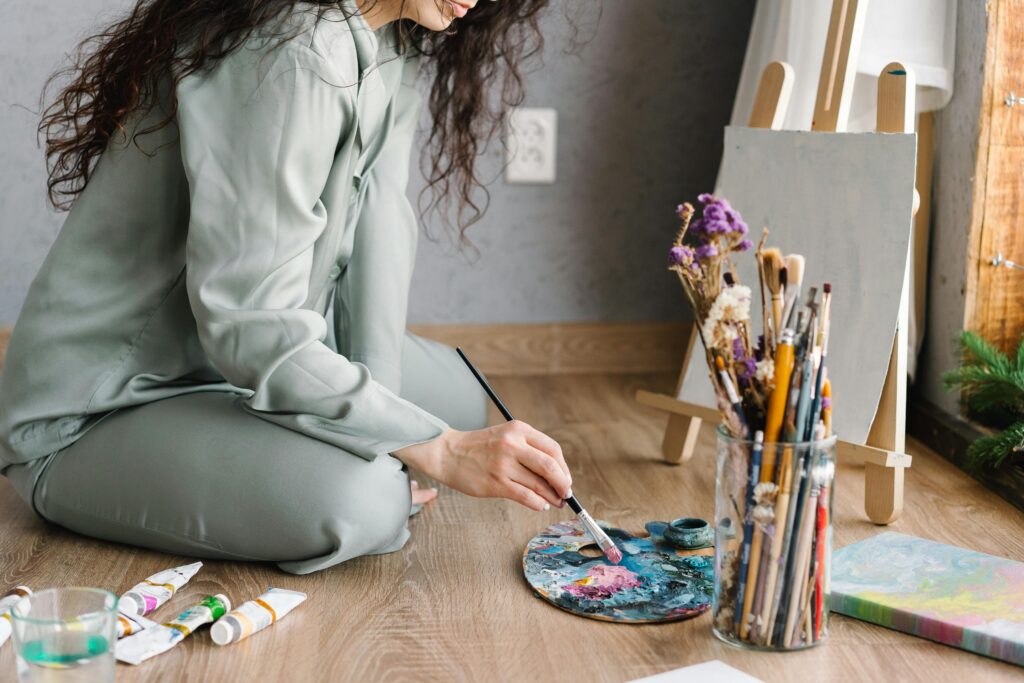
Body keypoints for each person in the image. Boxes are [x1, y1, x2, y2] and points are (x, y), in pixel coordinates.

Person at [0, 0, 572, 575]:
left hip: (234, 365)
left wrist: (388, 435)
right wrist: (434, 449)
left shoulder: (395, 33)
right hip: (99, 411)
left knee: (467, 400)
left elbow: (379, 228)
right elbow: (251, 326)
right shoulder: (291, 51)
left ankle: (305, 436)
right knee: (366, 503)